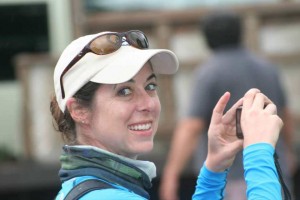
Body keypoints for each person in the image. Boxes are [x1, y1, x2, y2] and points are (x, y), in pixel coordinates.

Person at [50, 30, 284, 200]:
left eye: (150, 86)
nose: (148, 104)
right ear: (79, 111)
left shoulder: (87, 188)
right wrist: (258, 152)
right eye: (125, 91)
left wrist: (214, 167)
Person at [159, 12, 296, 200]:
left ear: (206, 38)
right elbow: (284, 115)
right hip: (271, 170)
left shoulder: (208, 72)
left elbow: (191, 126)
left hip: (231, 179)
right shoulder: (267, 67)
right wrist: (288, 151)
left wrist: (171, 173)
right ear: (241, 33)